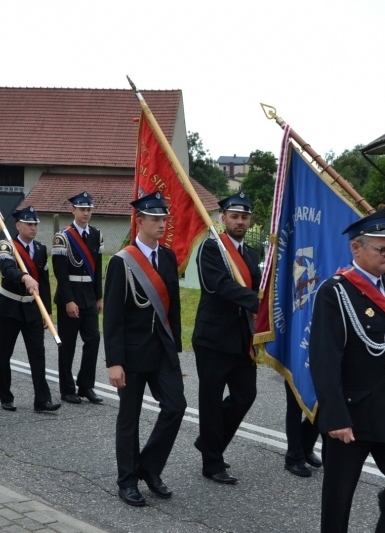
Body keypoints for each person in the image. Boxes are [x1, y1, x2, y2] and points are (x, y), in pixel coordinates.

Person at [309, 209, 385, 533]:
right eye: (382, 249)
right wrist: (334, 416)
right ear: (356, 248)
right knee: (338, 497)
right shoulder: (335, 292)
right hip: (353, 411)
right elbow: (324, 359)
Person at [104, 191, 186, 507]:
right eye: (155, 219)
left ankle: (149, 468)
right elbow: (112, 317)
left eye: (164, 218)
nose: (162, 224)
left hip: (162, 352)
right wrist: (115, 362)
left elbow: (173, 310)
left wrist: (175, 352)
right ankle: (127, 481)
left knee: (176, 406)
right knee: (129, 418)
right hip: (133, 354)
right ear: (140, 221)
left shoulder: (166, 257)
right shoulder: (121, 262)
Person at [192, 191, 261, 485]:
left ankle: (209, 441)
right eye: (235, 216)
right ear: (223, 219)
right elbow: (217, 285)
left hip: (242, 338)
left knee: (246, 396)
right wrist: (258, 301)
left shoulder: (252, 254)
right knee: (210, 400)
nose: (240, 222)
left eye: (245, 217)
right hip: (213, 338)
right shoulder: (212, 248)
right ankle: (212, 461)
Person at [0, 206, 60, 413]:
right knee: (4, 354)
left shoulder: (39, 249)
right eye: (29, 224)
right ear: (18, 225)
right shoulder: (7, 246)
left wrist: (46, 311)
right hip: (9, 309)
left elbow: (45, 283)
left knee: (38, 355)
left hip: (32, 309)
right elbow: (7, 269)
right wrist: (24, 277)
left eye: (36, 224)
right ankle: (6, 397)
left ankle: (42, 400)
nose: (33, 227)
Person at [52, 192, 104, 405]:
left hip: (89, 297)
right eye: (82, 209)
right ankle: (66, 389)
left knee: (93, 339)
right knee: (68, 345)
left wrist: (99, 296)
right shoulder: (63, 236)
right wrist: (68, 300)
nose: (86, 213)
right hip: (70, 296)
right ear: (73, 210)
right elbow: (60, 273)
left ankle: (86, 385)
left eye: (89, 209)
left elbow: (98, 267)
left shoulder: (96, 234)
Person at [283, 380, 322, 477]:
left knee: (321, 407)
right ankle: (293, 457)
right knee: (294, 408)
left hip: (320, 368)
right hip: (297, 369)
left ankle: (305, 446)